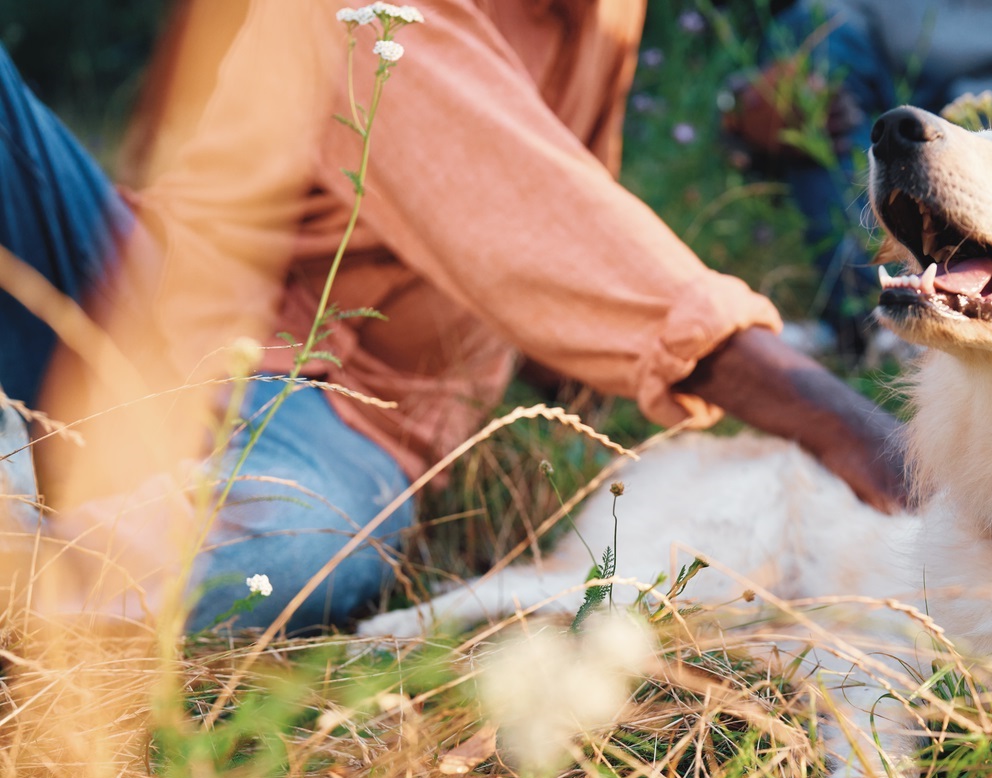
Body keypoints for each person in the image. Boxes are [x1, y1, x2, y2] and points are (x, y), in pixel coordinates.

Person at [0, 0, 907, 636]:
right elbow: (538, 214)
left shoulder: (607, 14)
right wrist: (844, 422)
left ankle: (49, 557)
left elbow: (570, 184)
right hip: (137, 285)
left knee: (306, 553)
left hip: (343, 403)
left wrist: (572, 387)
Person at [723, 0, 992, 356]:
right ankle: (870, 310)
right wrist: (746, 105)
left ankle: (882, 329)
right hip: (931, 113)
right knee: (811, 35)